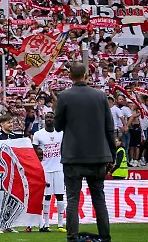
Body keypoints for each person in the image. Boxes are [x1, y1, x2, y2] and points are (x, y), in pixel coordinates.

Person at [55, 62, 114, 242]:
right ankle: (105, 237)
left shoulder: (64, 96)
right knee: (99, 199)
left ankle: (72, 238)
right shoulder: (100, 96)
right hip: (98, 156)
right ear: (86, 75)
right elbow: (109, 128)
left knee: (73, 199)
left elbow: (57, 127)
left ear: (70, 76)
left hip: (73, 156)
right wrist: (111, 154)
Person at [32, 112, 65, 232]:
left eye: (51, 117)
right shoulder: (38, 134)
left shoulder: (61, 133)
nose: (49, 119)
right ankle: (46, 224)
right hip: (45, 170)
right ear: (44, 119)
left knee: (60, 196)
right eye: (47, 117)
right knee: (46, 197)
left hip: (59, 168)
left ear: (55, 119)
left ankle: (60, 225)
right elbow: (34, 151)